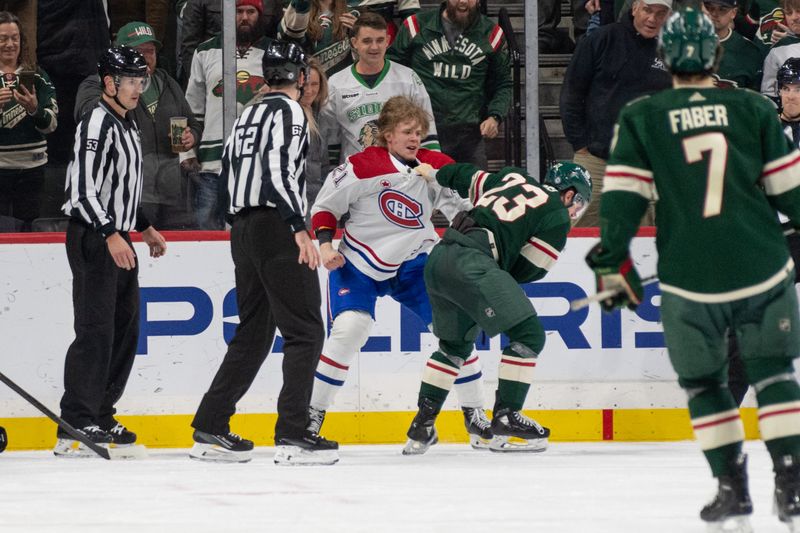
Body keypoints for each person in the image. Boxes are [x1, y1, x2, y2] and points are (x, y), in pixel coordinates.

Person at [585, 9, 800, 530]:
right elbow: (791, 195)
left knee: (707, 386)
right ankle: (790, 486)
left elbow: (620, 202)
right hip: (765, 269)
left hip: (689, 277)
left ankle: (731, 486)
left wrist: (612, 260)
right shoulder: (753, 107)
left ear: (665, 57)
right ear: (715, 54)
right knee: (774, 376)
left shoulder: (641, 114)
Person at [308, 95, 494, 449]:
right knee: (350, 330)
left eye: (420, 133)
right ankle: (313, 415)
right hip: (360, 261)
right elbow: (325, 208)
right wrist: (327, 245)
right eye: (407, 132)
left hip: (414, 261)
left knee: (453, 331)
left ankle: (475, 414)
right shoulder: (361, 166)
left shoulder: (435, 165)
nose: (415, 139)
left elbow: (464, 210)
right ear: (387, 135)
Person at [189, 40, 338, 466]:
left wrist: (238, 223)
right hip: (277, 227)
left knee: (254, 331)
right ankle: (293, 433)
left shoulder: (248, 113)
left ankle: (212, 422)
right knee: (306, 330)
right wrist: (298, 227)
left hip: (245, 228)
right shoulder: (291, 112)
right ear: (301, 77)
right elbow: (277, 168)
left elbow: (230, 171)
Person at [403, 160, 592, 455]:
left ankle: (422, 424)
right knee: (530, 335)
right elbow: (528, 271)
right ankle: (507, 415)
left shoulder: (513, 177)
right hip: (473, 262)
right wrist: (491, 286)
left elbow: (462, 174)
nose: (575, 210)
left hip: (440, 258)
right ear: (568, 193)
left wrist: (434, 173)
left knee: (453, 347)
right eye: (578, 201)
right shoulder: (557, 214)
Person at [56, 46, 167, 457]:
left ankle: (101, 413)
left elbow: (119, 188)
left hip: (117, 235)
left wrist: (144, 227)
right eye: (132, 81)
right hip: (93, 236)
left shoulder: (128, 124)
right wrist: (109, 233)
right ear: (109, 83)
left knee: (125, 330)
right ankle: (75, 421)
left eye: (142, 81)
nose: (139, 88)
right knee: (95, 330)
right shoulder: (97, 122)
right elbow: (83, 192)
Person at [74, 21, 202, 230]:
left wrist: (191, 136)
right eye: (139, 51)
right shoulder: (97, 83)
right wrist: (118, 85)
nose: (146, 57)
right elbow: (87, 115)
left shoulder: (166, 81)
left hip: (172, 192)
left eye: (150, 51)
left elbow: (193, 123)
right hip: (129, 192)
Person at [559, 0, 672, 227]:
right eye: (648, 10)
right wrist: (580, 143)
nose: (652, 19)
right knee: (574, 233)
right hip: (595, 160)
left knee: (644, 241)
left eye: (660, 14)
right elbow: (571, 93)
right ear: (634, 8)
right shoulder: (601, 39)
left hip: (645, 166)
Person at [388, 0, 511, 169]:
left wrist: (495, 116)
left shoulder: (492, 33)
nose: (463, 1)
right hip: (420, 132)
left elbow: (503, 83)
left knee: (473, 192)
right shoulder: (416, 26)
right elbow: (392, 71)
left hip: (469, 135)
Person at [183, 0, 273, 229]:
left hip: (256, 163)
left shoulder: (273, 52)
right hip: (212, 163)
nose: (244, 17)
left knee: (250, 230)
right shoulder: (205, 51)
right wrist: (186, 153)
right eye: (238, 11)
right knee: (206, 227)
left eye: (250, 12)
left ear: (259, 15)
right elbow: (193, 109)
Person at [320, 12, 438, 168]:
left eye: (380, 40)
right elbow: (331, 138)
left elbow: (428, 133)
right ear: (354, 42)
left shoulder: (408, 78)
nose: (374, 47)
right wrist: (333, 172)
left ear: (388, 41)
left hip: (402, 175)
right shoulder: (336, 83)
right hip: (357, 175)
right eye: (367, 41)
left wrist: (432, 171)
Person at [0, 11, 58, 232]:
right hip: (0, 169)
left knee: (30, 229)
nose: (9, 44)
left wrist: (34, 108)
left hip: (33, 169)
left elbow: (52, 125)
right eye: (3, 38)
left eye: (14, 38)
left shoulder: (37, 77)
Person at [279, 0, 357, 78]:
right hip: (307, 82)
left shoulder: (353, 13)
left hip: (342, 83)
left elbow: (362, 58)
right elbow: (288, 43)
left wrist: (359, 32)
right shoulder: (296, 10)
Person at [703, 0, 764, 90]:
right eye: (709, 7)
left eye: (722, 9)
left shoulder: (750, 52)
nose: (714, 13)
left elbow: (752, 100)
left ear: (733, 13)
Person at [300, 57, 329, 213]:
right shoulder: (287, 114)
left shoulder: (321, 114)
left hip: (318, 199)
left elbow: (323, 165)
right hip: (296, 202)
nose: (309, 90)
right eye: (305, 84)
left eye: (314, 84)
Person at [761, 0, 800, 97]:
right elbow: (769, 94)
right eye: (789, 13)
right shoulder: (778, 50)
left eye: (799, 11)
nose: (794, 17)